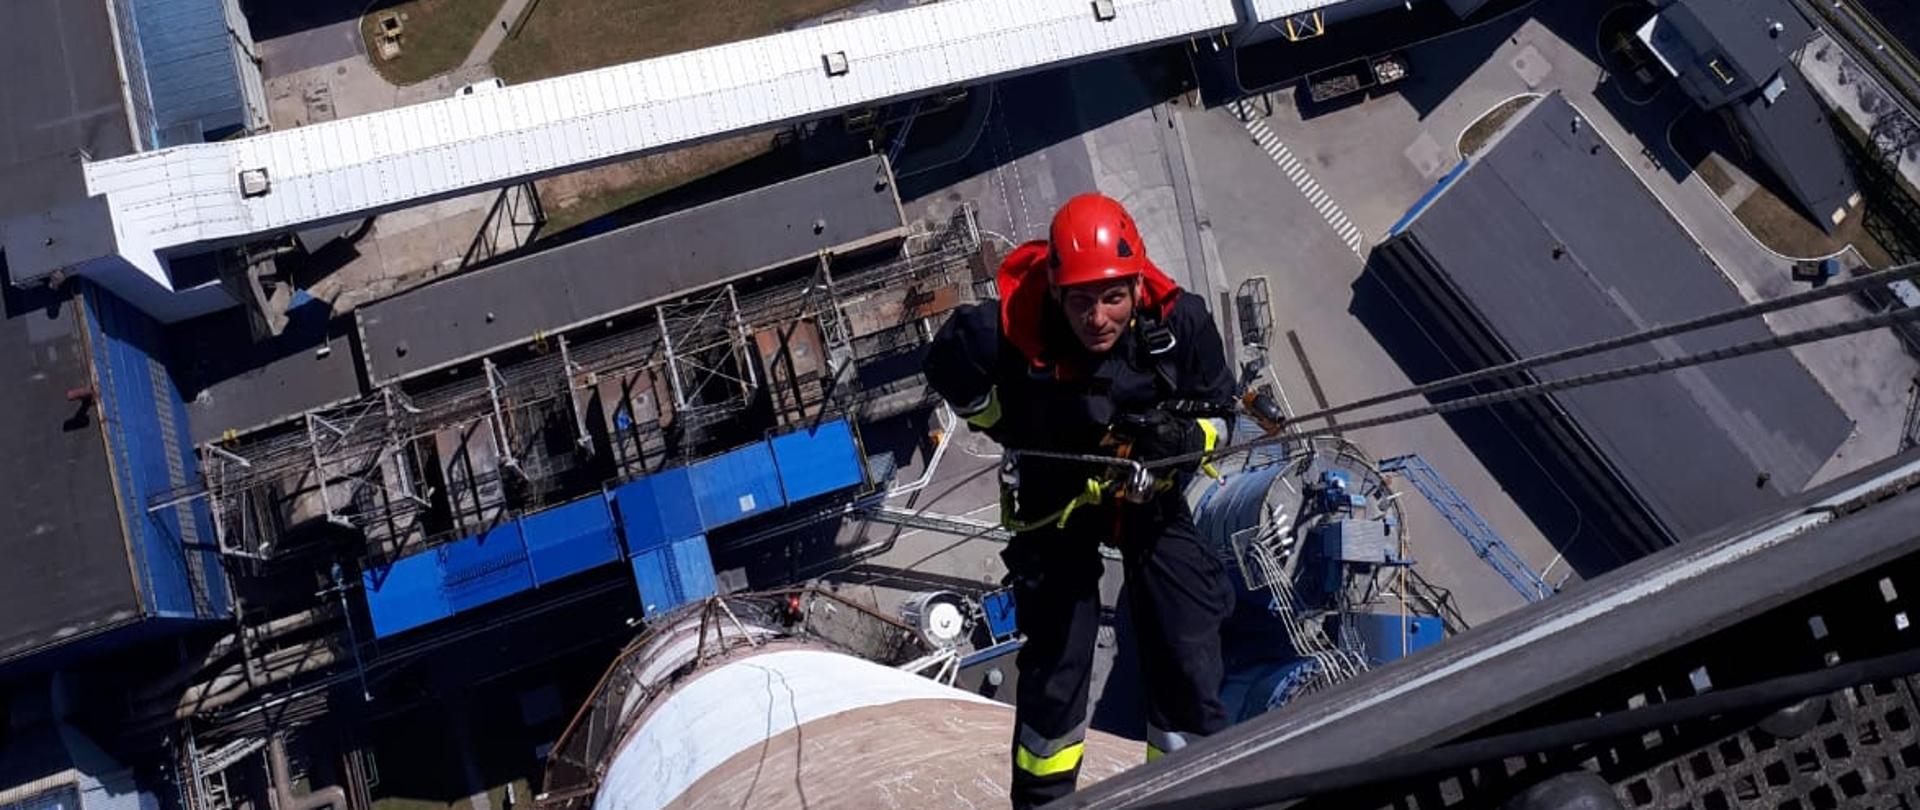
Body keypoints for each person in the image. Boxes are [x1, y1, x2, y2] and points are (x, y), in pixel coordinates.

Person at [924, 193, 1237, 808]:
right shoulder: (1004, 330)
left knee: (1185, 640)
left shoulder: (1180, 326)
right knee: (1059, 659)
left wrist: (1182, 438)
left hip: (1146, 493)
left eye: (1113, 298)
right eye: (1081, 301)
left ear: (1137, 286)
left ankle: (1186, 790)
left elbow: (1224, 418)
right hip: (1055, 500)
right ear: (1056, 292)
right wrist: (1003, 422)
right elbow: (948, 365)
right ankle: (1044, 802)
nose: (1098, 318)